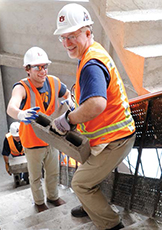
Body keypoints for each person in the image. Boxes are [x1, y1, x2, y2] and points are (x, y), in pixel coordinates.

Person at [51, 3, 136, 230]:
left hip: (116, 139)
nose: (67, 43)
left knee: (80, 184)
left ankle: (110, 224)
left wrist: (68, 119)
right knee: (83, 171)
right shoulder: (91, 52)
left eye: (72, 36)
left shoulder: (91, 64)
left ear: (87, 33)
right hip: (111, 137)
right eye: (63, 38)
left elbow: (97, 104)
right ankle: (92, 206)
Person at [7, 46, 73, 212]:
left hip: (52, 139)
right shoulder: (21, 87)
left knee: (53, 173)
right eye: (37, 67)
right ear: (27, 69)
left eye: (45, 66)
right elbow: (11, 107)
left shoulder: (54, 82)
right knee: (35, 177)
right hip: (32, 142)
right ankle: (39, 202)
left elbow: (67, 94)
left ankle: (53, 197)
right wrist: (20, 114)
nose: (42, 71)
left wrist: (70, 102)